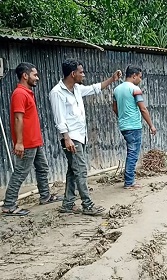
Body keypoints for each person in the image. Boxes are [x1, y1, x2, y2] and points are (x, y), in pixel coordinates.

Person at [49, 59, 121, 215]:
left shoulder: (76, 89)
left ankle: (68, 204)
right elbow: (59, 119)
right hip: (71, 138)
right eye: (81, 72)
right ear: (73, 74)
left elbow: (94, 88)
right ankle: (87, 205)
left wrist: (112, 79)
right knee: (80, 170)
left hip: (79, 137)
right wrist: (67, 138)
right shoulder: (57, 93)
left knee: (73, 170)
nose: (84, 75)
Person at [2, 63, 62, 216]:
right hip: (27, 143)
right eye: (35, 75)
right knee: (21, 172)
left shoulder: (26, 93)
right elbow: (18, 119)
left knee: (42, 168)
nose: (37, 78)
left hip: (34, 141)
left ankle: (45, 196)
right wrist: (20, 143)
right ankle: (9, 205)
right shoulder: (19, 94)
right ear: (25, 75)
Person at [113, 66, 156, 190]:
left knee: (131, 152)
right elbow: (143, 109)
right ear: (134, 76)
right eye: (140, 77)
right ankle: (129, 182)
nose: (140, 80)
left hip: (124, 126)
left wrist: (123, 117)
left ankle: (129, 180)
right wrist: (151, 125)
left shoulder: (116, 89)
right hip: (134, 126)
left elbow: (115, 108)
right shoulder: (135, 89)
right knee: (133, 154)